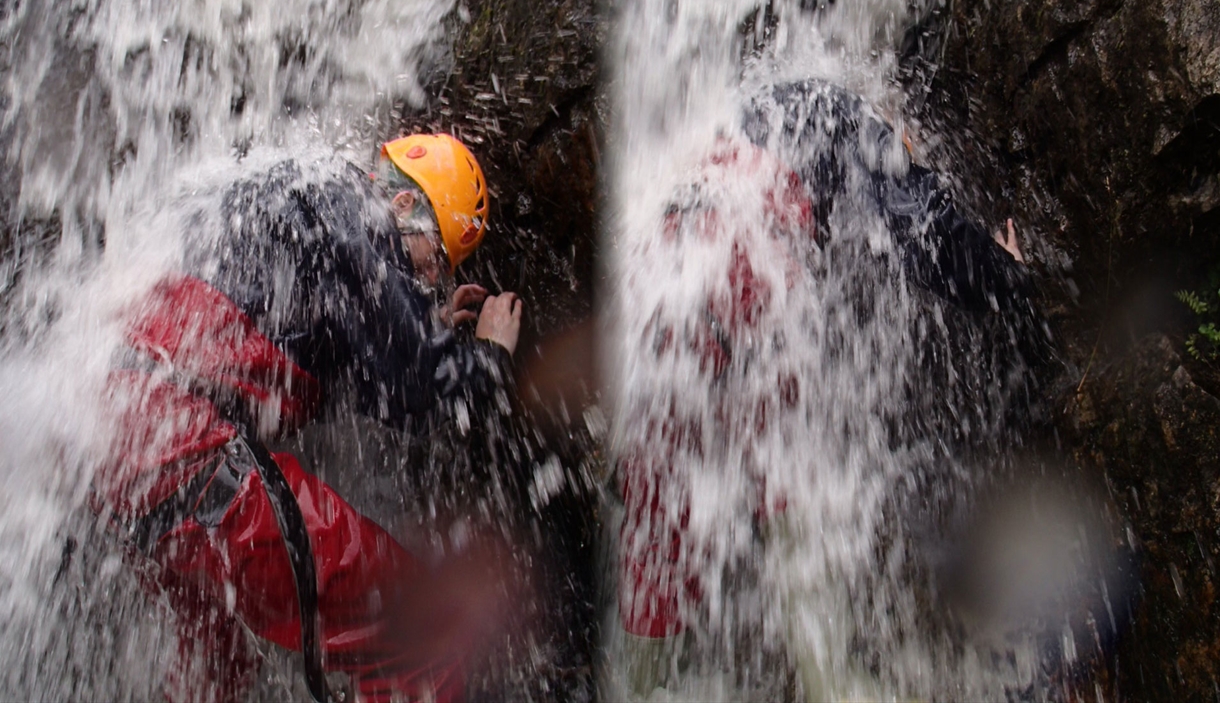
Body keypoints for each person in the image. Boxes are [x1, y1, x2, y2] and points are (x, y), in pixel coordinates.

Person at [615, 79, 1032, 694]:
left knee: (658, 535)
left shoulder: (741, 110)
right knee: (792, 496)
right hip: (748, 268)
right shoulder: (842, 108)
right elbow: (919, 222)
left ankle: (642, 683)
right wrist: (1003, 273)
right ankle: (829, 680)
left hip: (658, 281)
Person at [93, 133, 522, 703]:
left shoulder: (291, 199)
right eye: (437, 256)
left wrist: (427, 319)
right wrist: (487, 357)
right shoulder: (347, 199)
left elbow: (365, 372)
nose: (432, 277)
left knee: (216, 665)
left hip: (115, 446)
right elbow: (416, 386)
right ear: (402, 205)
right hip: (188, 452)